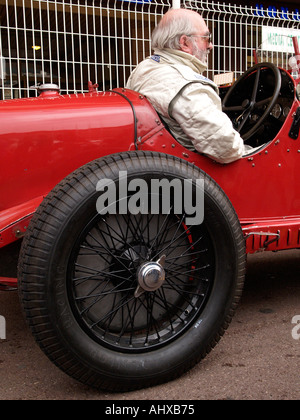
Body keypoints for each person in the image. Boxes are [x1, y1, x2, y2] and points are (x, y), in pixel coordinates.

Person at [126, 8, 254, 164]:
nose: (211, 46)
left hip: (157, 163)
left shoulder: (146, 67)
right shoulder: (183, 84)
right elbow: (226, 148)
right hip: (189, 173)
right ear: (185, 43)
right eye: (206, 38)